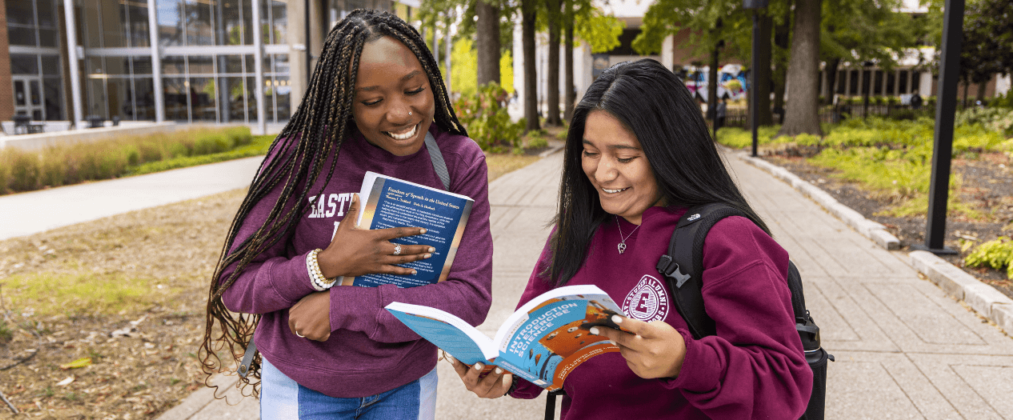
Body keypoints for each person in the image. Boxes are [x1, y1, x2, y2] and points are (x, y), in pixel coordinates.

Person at [450, 59, 812, 419]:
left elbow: (785, 386)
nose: (603, 172)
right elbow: (532, 346)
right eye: (590, 152)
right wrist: (505, 375)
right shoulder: (573, 231)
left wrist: (686, 361)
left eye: (624, 156)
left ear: (670, 151)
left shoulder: (727, 239)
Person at [200, 9, 493, 419]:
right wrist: (325, 264)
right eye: (372, 101)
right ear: (343, 102)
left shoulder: (457, 161)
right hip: (305, 386)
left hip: (404, 385)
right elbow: (237, 284)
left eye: (414, 90)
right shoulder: (302, 157)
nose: (400, 113)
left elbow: (470, 297)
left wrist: (344, 306)